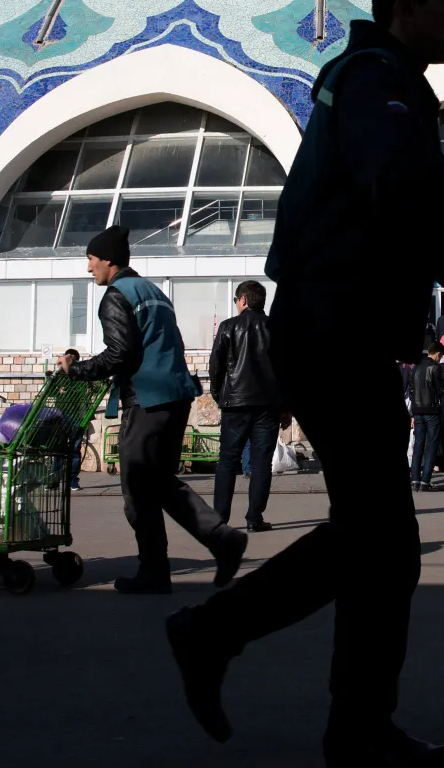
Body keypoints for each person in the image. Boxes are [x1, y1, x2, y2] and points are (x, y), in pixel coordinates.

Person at [164, 0, 444, 768]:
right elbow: (395, 186)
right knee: (381, 534)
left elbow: (413, 194)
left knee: (380, 539)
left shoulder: (384, 82)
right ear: (404, 5)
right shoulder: (373, 80)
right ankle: (224, 637)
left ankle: (351, 723)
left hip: (342, 328)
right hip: (332, 327)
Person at [66, 225, 244, 595]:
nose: (88, 268)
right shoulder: (153, 292)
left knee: (137, 488)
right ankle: (221, 540)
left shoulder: (116, 295)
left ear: (108, 261)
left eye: (91, 259)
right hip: (176, 395)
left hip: (147, 399)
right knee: (162, 484)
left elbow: (121, 353)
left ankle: (154, 571)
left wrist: (78, 370)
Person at [210, 281, 285, 532]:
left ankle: (219, 518)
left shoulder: (228, 327)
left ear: (242, 300)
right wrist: (285, 407)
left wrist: (218, 394)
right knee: (261, 463)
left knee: (227, 461)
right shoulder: (276, 329)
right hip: (268, 405)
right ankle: (254, 518)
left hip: (235, 403)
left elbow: (216, 366)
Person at [408, 342, 444, 492]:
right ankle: (425, 481)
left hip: (417, 410)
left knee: (418, 445)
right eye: (440, 356)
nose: (440, 359)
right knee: (431, 445)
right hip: (431, 410)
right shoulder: (435, 368)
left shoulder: (415, 367)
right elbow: (440, 389)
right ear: (437, 354)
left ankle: (415, 480)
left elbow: (411, 390)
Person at [57, 349, 88, 488]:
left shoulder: (80, 375)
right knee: (58, 448)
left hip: (77, 416)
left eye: (73, 360)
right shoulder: (59, 376)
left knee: (74, 450)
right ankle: (55, 480)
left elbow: (84, 393)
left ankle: (72, 481)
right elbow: (52, 391)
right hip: (61, 415)